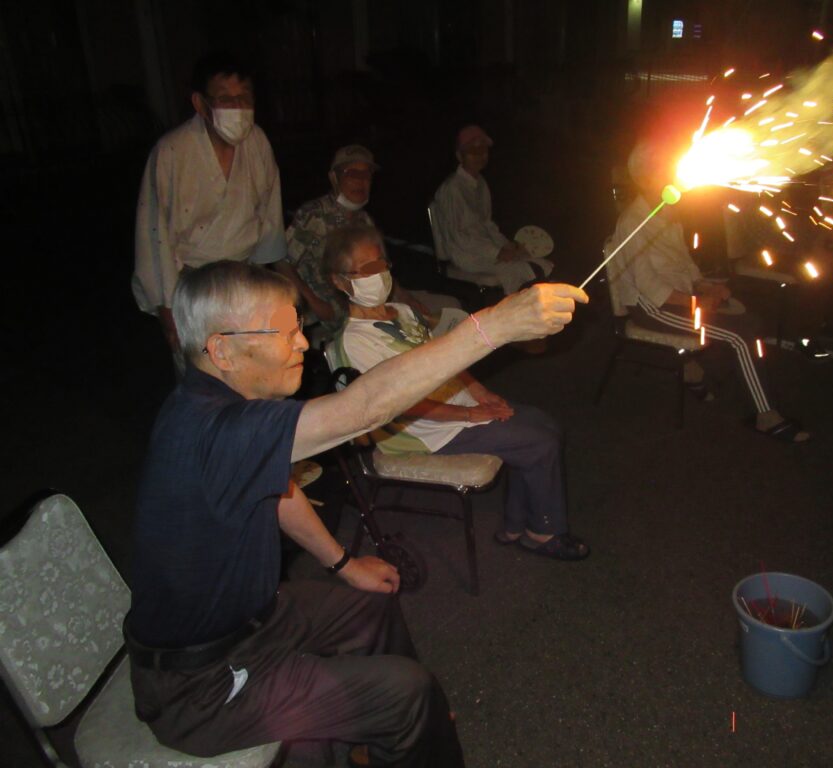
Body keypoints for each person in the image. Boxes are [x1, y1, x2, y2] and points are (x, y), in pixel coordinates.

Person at [125, 260, 586, 766]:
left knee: (372, 604)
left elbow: (279, 493)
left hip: (256, 620)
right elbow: (364, 408)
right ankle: (407, 716)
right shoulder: (216, 431)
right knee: (408, 691)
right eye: (285, 333)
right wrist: (494, 325)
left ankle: (393, 735)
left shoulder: (215, 405)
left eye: (299, 326)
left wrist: (345, 564)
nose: (303, 343)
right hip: (201, 685)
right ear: (222, 351)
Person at [324, 225, 589, 560]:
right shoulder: (354, 341)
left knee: (545, 425)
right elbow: (397, 406)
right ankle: (542, 531)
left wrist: (478, 390)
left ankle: (517, 524)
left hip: (451, 404)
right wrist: (469, 414)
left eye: (380, 264)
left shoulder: (402, 312)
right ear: (339, 281)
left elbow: (446, 356)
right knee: (539, 442)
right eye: (365, 270)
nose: (377, 275)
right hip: (423, 430)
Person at [610, 141, 810, 442]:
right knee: (739, 336)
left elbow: (684, 264)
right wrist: (697, 302)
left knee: (751, 320)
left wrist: (706, 286)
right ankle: (766, 417)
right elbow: (651, 290)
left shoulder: (665, 212)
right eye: (666, 170)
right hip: (651, 309)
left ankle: (694, 371)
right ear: (646, 178)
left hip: (676, 298)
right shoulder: (633, 223)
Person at [133, 52, 286, 372]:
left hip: (244, 275)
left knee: (251, 370)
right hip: (193, 284)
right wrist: (168, 312)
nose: (237, 107)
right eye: (225, 99)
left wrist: (267, 284)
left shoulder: (257, 142)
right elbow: (154, 235)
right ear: (201, 104)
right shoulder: (172, 151)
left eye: (244, 97)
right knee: (204, 373)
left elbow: (269, 215)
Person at [279, 145, 462, 337]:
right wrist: (313, 301)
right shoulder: (314, 216)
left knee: (449, 308)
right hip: (339, 314)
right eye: (353, 174)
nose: (361, 181)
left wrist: (406, 297)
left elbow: (380, 270)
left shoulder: (364, 221)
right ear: (334, 178)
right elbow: (281, 261)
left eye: (366, 175)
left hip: (374, 302)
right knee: (413, 332)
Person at [432, 125, 553, 295]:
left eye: (483, 150)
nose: (479, 156)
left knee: (541, 264)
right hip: (465, 254)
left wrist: (508, 246)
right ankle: (517, 306)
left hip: (484, 249)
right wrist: (496, 252)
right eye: (472, 151)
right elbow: (459, 237)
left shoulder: (481, 184)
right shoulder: (452, 189)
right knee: (519, 270)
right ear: (460, 155)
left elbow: (488, 225)